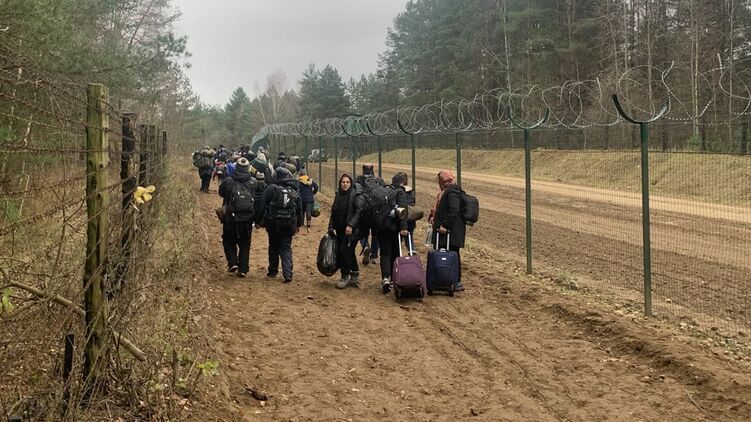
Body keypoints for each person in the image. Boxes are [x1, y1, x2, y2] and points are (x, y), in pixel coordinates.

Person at [259, 167, 304, 283]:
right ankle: (288, 273)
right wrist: (298, 224)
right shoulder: (293, 190)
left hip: (273, 224)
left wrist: (259, 220)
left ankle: (272, 271)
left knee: (273, 246)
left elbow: (262, 204)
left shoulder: (271, 189)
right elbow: (299, 208)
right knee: (286, 248)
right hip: (289, 224)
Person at [218, 158, 257, 278]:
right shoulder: (253, 182)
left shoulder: (228, 181)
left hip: (230, 217)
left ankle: (233, 262)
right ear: (248, 168)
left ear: (236, 167)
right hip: (247, 218)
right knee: (245, 242)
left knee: (228, 240)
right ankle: (243, 268)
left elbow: (221, 193)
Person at [429, 170, 466, 292]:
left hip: (451, 232)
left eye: (440, 180)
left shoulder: (452, 192)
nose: (439, 183)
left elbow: (454, 209)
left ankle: (455, 281)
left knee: (452, 254)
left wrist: (444, 225)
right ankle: (446, 279)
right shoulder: (449, 191)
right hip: (449, 231)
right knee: (449, 254)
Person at [327, 174, 366, 289]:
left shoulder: (355, 196)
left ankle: (345, 276)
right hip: (339, 230)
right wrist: (330, 226)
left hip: (352, 231)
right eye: (343, 182)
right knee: (348, 252)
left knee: (344, 251)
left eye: (347, 182)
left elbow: (358, 212)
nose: (345, 184)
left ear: (351, 183)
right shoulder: (338, 195)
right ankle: (355, 275)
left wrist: (350, 225)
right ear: (340, 183)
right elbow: (333, 212)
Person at [375, 173, 409, 293]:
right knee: (395, 252)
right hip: (394, 228)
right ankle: (394, 278)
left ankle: (385, 278)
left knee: (385, 253)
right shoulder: (400, 193)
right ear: (402, 183)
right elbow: (403, 212)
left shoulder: (385, 191)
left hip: (381, 227)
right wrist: (403, 228)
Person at [356, 164, 382, 265]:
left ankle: (366, 246)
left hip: (364, 211)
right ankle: (374, 256)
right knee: (376, 234)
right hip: (376, 212)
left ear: (363, 170)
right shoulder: (378, 180)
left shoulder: (359, 179)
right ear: (372, 170)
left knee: (362, 232)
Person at [397, 171, 416, 251]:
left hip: (400, 219)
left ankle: (397, 255)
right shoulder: (412, 192)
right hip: (410, 219)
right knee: (409, 240)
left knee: (398, 242)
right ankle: (412, 253)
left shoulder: (398, 191)